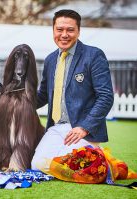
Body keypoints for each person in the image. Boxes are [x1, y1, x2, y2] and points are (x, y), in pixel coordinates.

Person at [31, 9, 114, 170]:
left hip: (82, 130)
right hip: (56, 127)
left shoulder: (94, 55)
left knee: (70, 165)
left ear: (78, 31)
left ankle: (97, 154)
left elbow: (105, 97)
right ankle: (92, 157)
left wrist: (84, 127)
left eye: (70, 30)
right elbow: (42, 96)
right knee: (37, 166)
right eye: (59, 29)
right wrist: (14, 103)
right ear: (53, 30)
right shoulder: (50, 60)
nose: (64, 34)